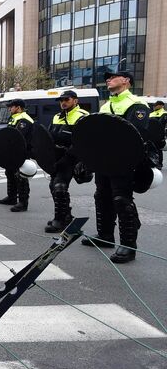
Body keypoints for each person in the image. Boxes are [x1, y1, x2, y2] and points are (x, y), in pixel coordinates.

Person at [81, 71, 151, 263]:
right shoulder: (106, 106)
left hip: (124, 161)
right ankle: (105, 236)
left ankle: (128, 246)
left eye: (113, 77)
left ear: (126, 80)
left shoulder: (136, 104)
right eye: (107, 78)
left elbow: (135, 135)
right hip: (104, 160)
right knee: (101, 196)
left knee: (121, 199)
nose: (108, 80)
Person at [46, 91, 89, 232]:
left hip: (72, 159)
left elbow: (82, 141)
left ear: (75, 101)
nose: (63, 102)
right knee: (54, 186)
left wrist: (68, 159)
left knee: (59, 186)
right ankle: (66, 216)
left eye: (67, 99)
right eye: (61, 100)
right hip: (56, 159)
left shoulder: (82, 116)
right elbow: (49, 137)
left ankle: (60, 221)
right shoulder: (57, 117)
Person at [0, 99, 33, 212]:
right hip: (12, 151)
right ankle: (11, 197)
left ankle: (23, 202)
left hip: (21, 152)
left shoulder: (24, 119)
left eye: (11, 107)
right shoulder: (15, 118)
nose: (9, 109)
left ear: (18, 108)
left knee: (21, 176)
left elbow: (18, 136)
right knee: (10, 173)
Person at [149, 100, 165, 169]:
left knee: (158, 149)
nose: (154, 107)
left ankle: (159, 164)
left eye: (155, 105)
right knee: (150, 148)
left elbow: (161, 125)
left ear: (161, 106)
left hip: (159, 134)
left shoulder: (164, 113)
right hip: (150, 134)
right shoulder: (151, 114)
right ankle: (152, 162)